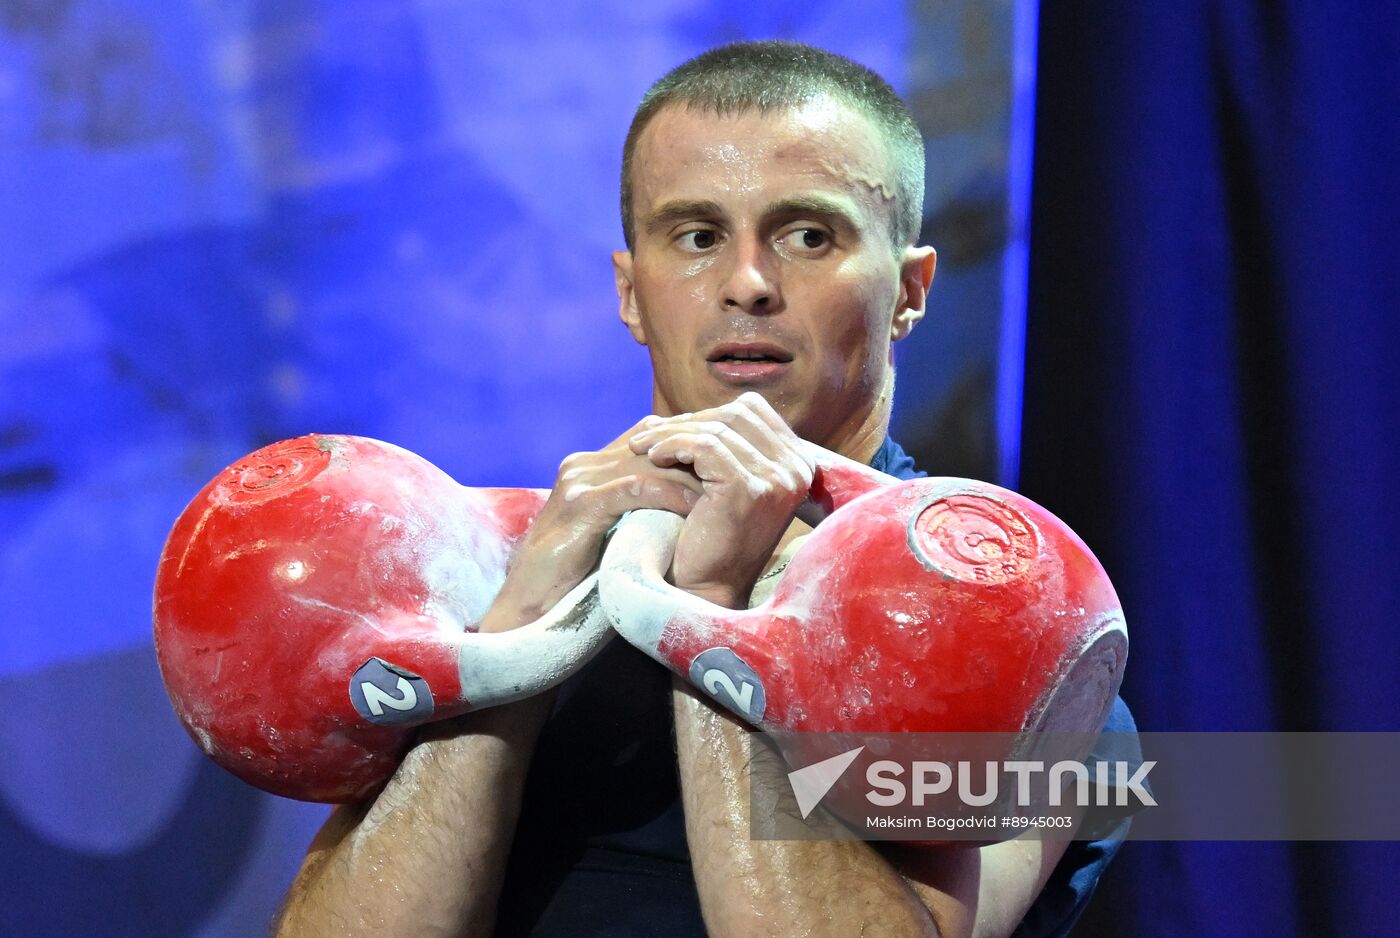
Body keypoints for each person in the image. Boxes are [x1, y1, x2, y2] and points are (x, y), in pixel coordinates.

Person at [276, 40, 1137, 937]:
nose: (747, 285)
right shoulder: (478, 586)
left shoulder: (1019, 637)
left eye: (809, 236)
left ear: (910, 292)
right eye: (696, 237)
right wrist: (517, 640)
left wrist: (701, 619)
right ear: (631, 293)